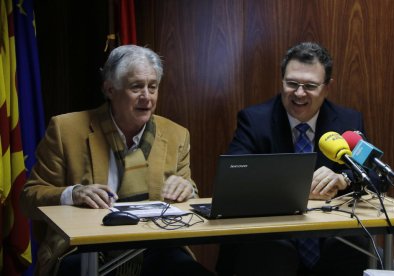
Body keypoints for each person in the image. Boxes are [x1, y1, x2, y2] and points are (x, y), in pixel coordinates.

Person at [20, 45, 213, 276]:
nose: (147, 97)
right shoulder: (65, 129)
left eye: (153, 87)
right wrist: (73, 193)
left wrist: (188, 190)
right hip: (85, 247)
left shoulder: (176, 135)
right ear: (110, 89)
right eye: (136, 87)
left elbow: (187, 193)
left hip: (155, 245)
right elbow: (29, 199)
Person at [216, 42, 373, 275]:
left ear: (328, 87)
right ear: (282, 81)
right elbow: (234, 177)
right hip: (272, 236)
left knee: (356, 248)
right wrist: (292, 188)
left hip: (329, 237)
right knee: (272, 252)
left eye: (310, 86)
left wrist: (344, 179)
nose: (299, 93)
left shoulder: (348, 122)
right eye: (292, 84)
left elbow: (375, 178)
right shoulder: (254, 120)